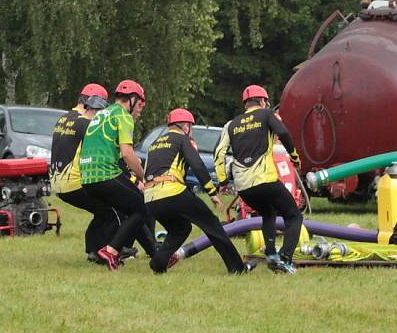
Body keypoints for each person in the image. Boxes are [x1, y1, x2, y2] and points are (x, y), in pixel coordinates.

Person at [145, 108, 256, 274]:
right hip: (172, 191)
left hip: (150, 198)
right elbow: (197, 165)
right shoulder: (183, 139)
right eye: (191, 127)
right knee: (212, 224)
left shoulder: (154, 144)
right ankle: (237, 268)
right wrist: (212, 192)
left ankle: (158, 263)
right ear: (185, 126)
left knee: (180, 228)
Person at [213, 84, 302, 274]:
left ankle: (271, 254)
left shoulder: (231, 124)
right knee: (294, 215)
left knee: (268, 212)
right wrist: (294, 157)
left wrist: (222, 182)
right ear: (262, 101)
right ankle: (285, 259)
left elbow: (218, 154)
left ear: (246, 103)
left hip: (244, 187)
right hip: (265, 180)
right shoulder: (267, 114)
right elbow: (284, 133)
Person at [81, 79, 154, 270]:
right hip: (104, 174)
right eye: (140, 105)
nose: (140, 110)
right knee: (141, 208)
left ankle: (156, 254)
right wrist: (143, 176)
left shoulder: (103, 113)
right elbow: (128, 153)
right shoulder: (123, 116)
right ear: (131, 100)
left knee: (132, 207)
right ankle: (111, 251)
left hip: (88, 177)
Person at [50, 85, 119, 262]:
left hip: (57, 182)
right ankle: (105, 253)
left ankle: (93, 250)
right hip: (74, 182)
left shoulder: (63, 118)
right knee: (113, 211)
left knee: (102, 211)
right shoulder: (88, 123)